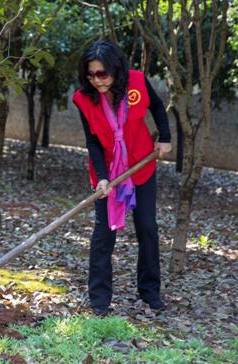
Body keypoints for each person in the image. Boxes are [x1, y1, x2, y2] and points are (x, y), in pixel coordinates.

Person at [73, 40, 172, 316]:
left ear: (115, 69)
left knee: (147, 227)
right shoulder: (84, 99)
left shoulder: (138, 83)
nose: (96, 80)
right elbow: (92, 142)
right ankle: (100, 300)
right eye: (90, 75)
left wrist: (164, 137)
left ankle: (150, 291)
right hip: (108, 175)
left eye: (102, 74)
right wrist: (102, 179)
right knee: (103, 235)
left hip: (141, 166)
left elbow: (158, 107)